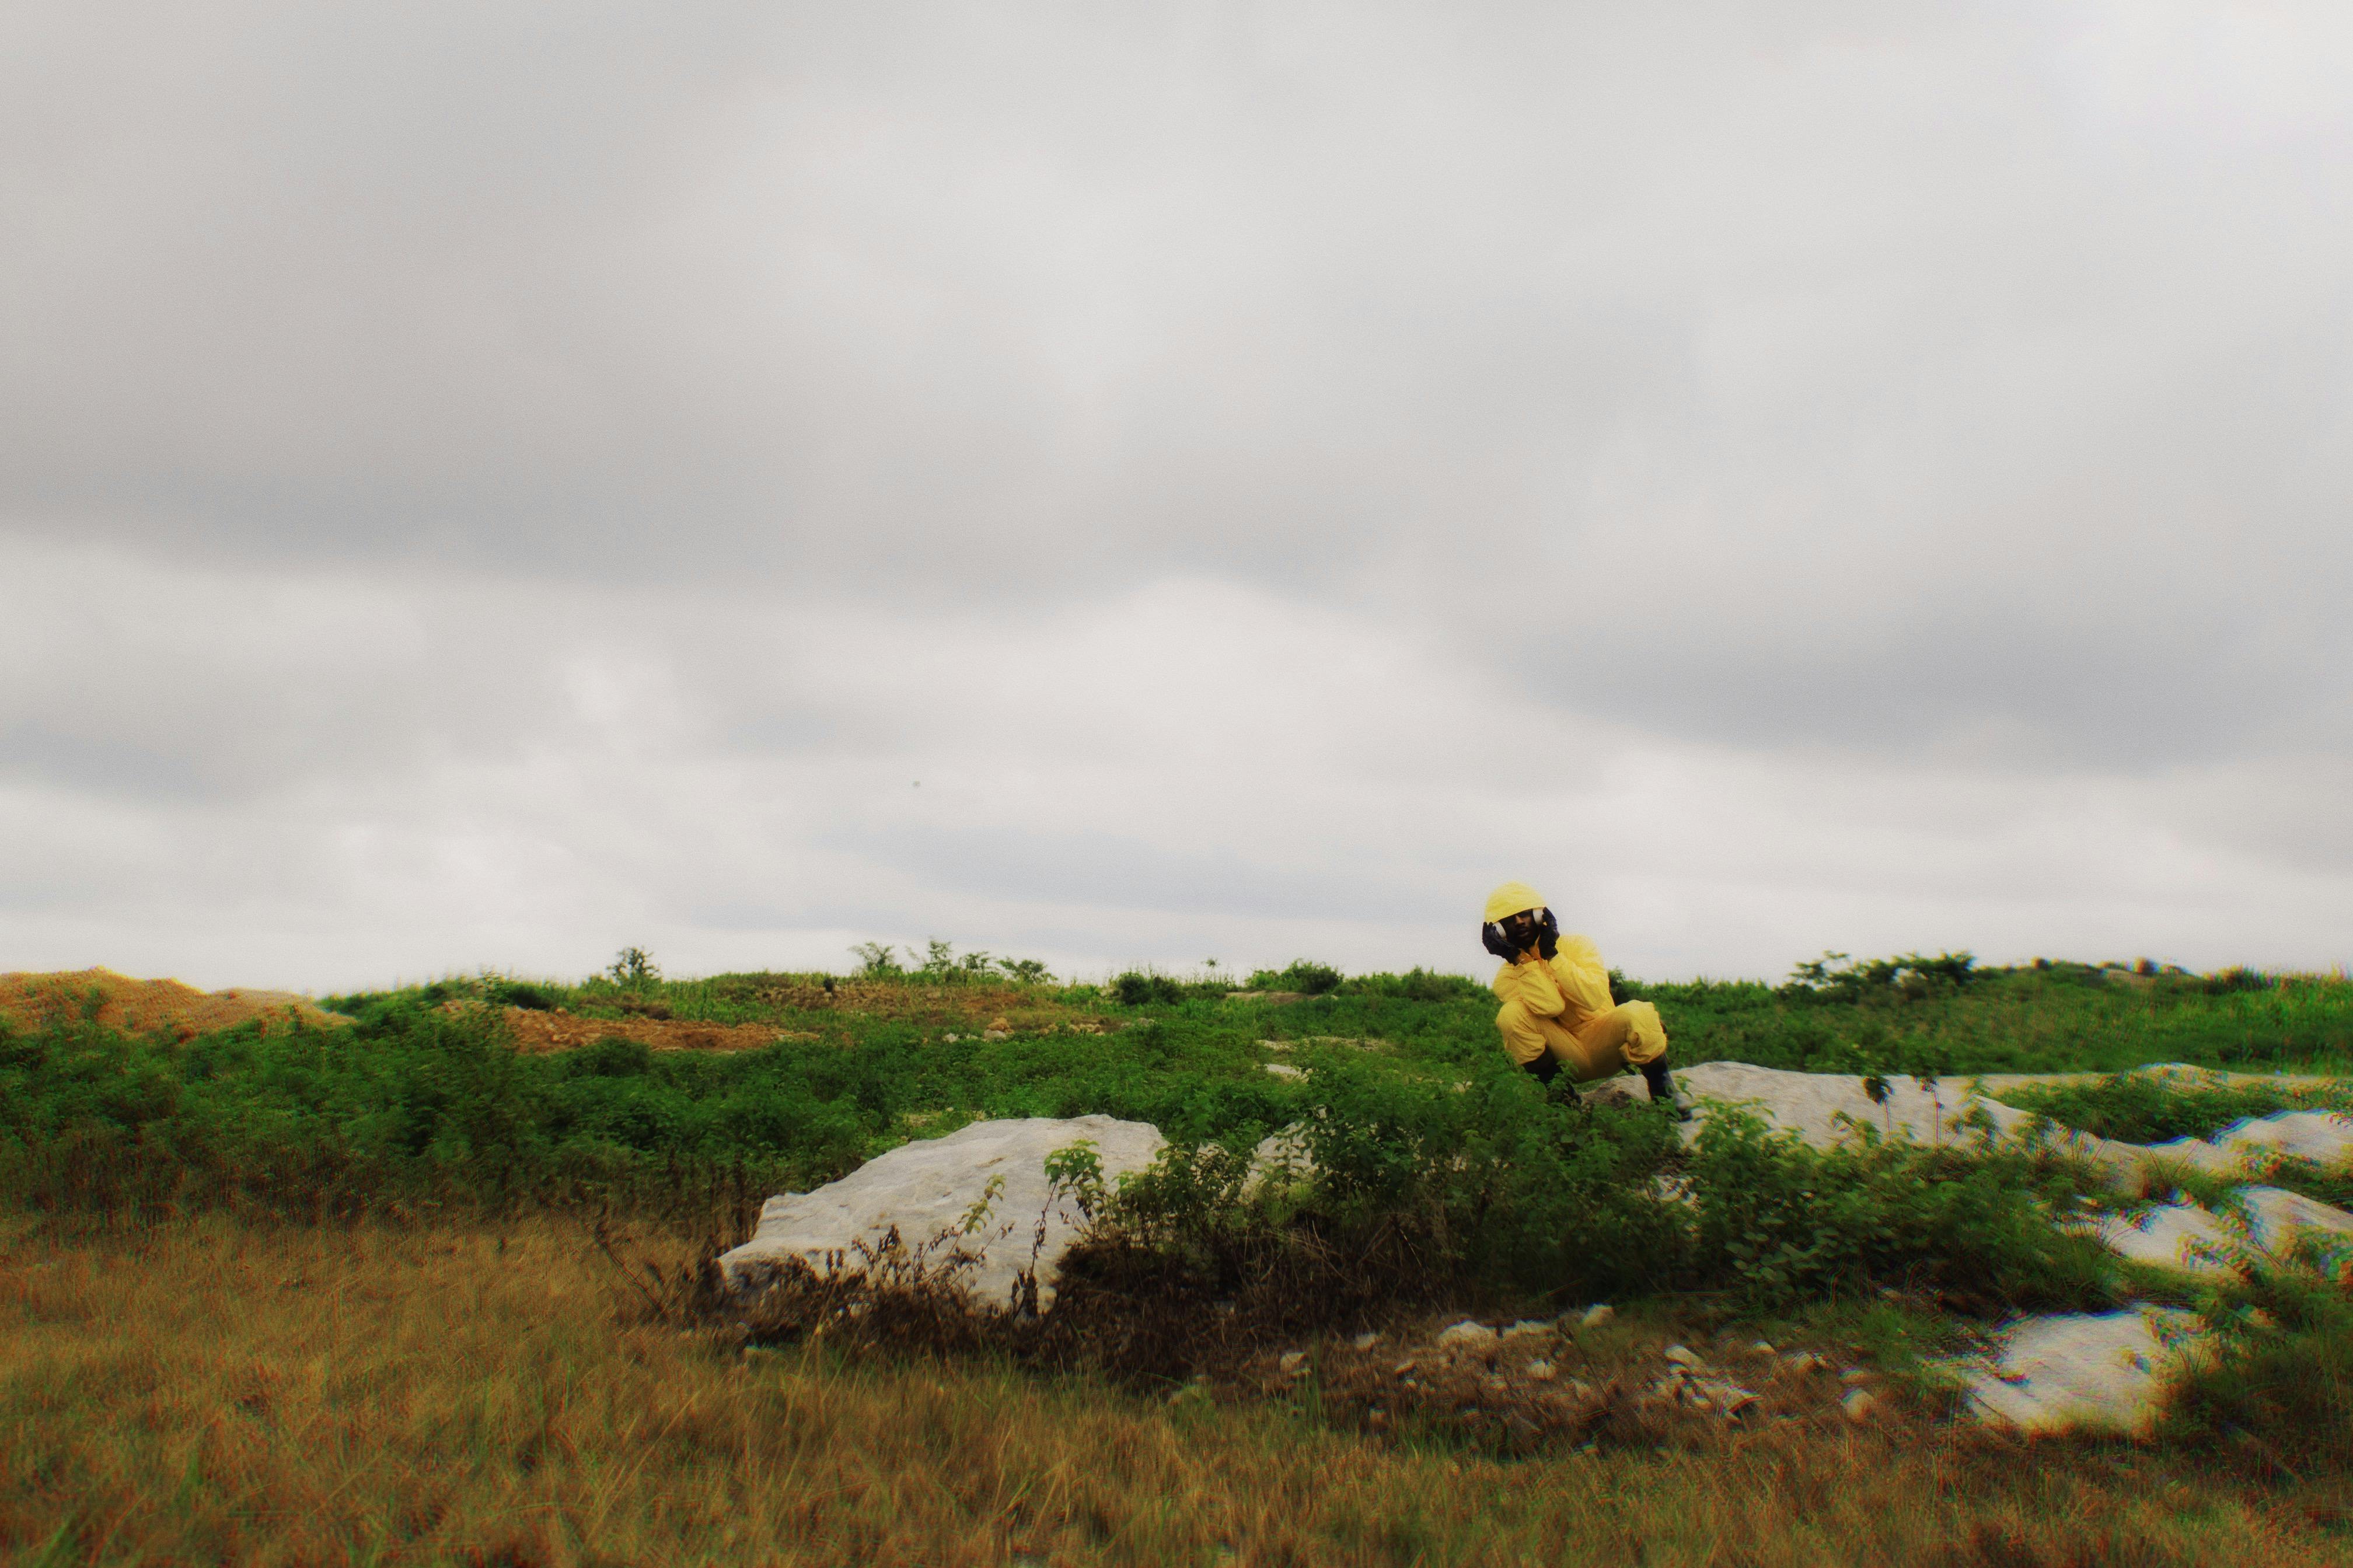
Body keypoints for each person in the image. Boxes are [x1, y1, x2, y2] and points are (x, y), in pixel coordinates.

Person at [1481, 881, 1690, 1117]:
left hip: (1608, 1044)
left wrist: (1553, 956)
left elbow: (1592, 999)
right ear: (1499, 932)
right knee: (1511, 1015)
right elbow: (1551, 1007)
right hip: (1568, 1059)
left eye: (1524, 914)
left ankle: (1664, 1094)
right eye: (1510, 919)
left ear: (1539, 915)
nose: (1519, 922)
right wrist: (1521, 962)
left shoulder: (1578, 945)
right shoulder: (1506, 978)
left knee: (1639, 1011)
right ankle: (1563, 1100)